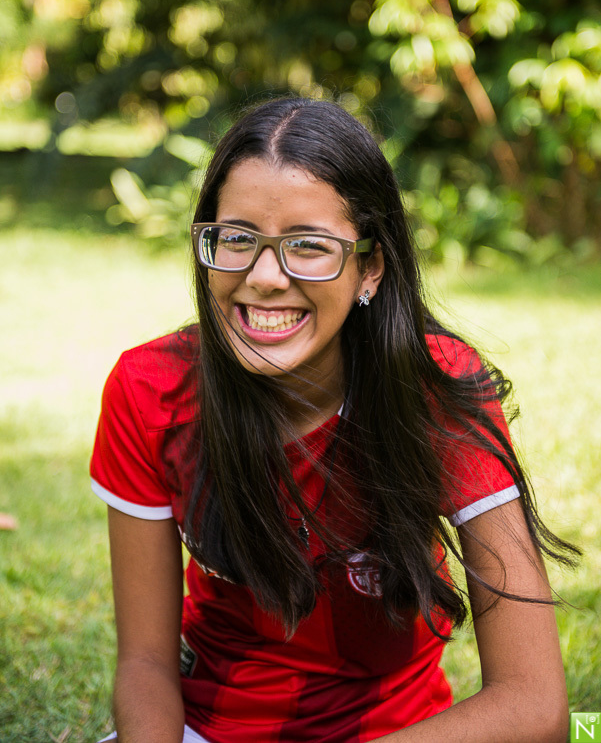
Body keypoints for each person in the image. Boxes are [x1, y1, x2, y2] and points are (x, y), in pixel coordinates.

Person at [91, 98, 577, 743]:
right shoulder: (150, 390)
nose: (264, 277)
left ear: (370, 268)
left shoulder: (438, 387)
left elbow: (536, 705)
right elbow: (146, 662)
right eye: (236, 239)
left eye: (309, 246)